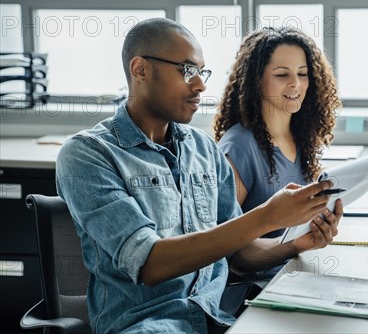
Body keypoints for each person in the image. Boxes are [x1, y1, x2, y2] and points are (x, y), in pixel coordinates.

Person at [55, 18, 342, 334]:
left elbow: (237, 253)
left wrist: (293, 245)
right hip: (147, 327)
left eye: (202, 73)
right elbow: (150, 263)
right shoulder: (87, 154)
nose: (201, 86)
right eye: (187, 71)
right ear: (140, 70)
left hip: (219, 319)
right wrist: (266, 217)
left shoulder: (203, 148)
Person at [214, 27, 341, 238]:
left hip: (295, 264)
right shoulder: (238, 148)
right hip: (264, 271)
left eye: (302, 74)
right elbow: (220, 243)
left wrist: (320, 222)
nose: (296, 84)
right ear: (256, 81)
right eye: (282, 74)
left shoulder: (301, 138)